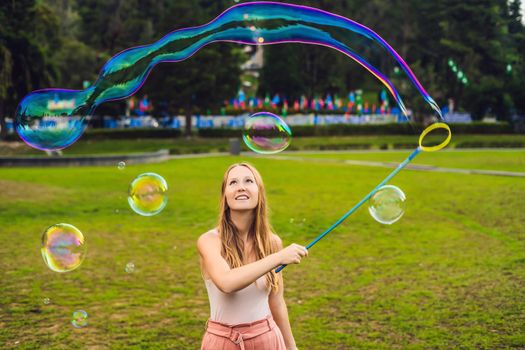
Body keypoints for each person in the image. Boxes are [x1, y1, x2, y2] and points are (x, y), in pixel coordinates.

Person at [198, 162, 308, 350]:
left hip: (268, 339)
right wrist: (278, 257)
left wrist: (292, 347)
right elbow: (226, 282)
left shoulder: (272, 243)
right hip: (223, 342)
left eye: (248, 180)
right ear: (225, 196)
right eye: (233, 182)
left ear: (259, 193)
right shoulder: (209, 240)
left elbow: (276, 302)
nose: (241, 186)